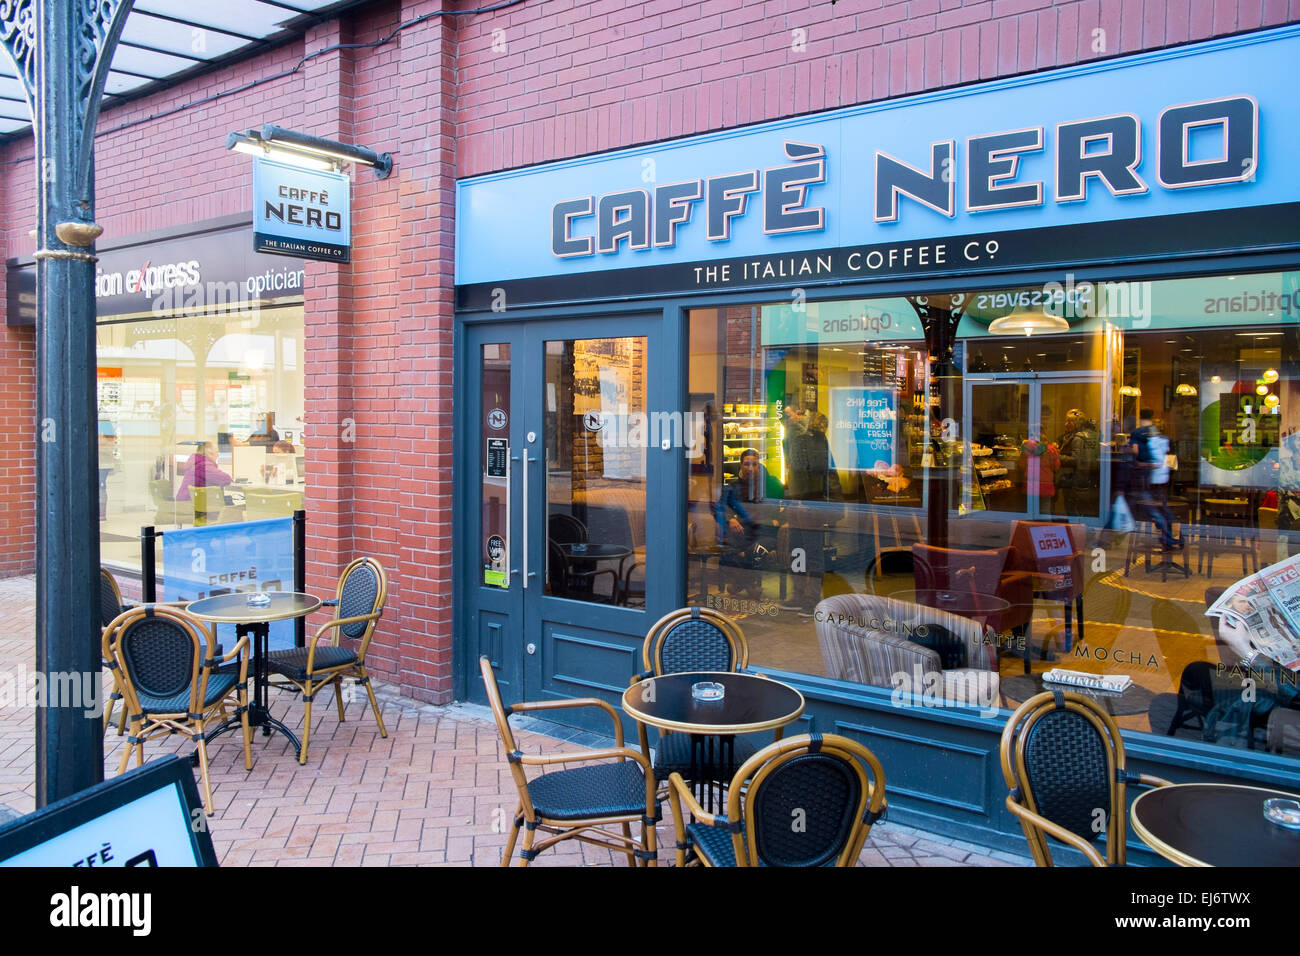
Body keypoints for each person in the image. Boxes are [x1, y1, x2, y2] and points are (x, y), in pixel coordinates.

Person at [713, 449, 782, 597]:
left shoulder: (772, 484)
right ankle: (749, 584)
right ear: (741, 465)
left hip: (767, 532)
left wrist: (778, 520)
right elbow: (718, 508)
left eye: (754, 464)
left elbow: (786, 506)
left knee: (754, 551)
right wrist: (730, 519)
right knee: (727, 550)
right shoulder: (733, 486)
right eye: (746, 464)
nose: (750, 468)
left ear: (759, 465)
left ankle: (741, 583)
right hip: (744, 533)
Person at [1130, 408, 1180, 550]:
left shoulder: (1137, 433)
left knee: (1150, 508)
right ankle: (1174, 534)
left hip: (1145, 477)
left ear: (1140, 419)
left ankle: (1167, 536)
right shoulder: (1161, 434)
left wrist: (1139, 462)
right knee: (1161, 506)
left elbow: (1135, 452)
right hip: (1161, 477)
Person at [1056, 408, 1099, 517]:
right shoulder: (1094, 435)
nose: (1066, 424)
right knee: (1084, 508)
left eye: (1069, 421)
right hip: (1089, 478)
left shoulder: (1078, 437)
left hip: (1073, 478)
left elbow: (1075, 460)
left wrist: (1057, 457)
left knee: (1072, 509)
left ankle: (1074, 531)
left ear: (1077, 423)